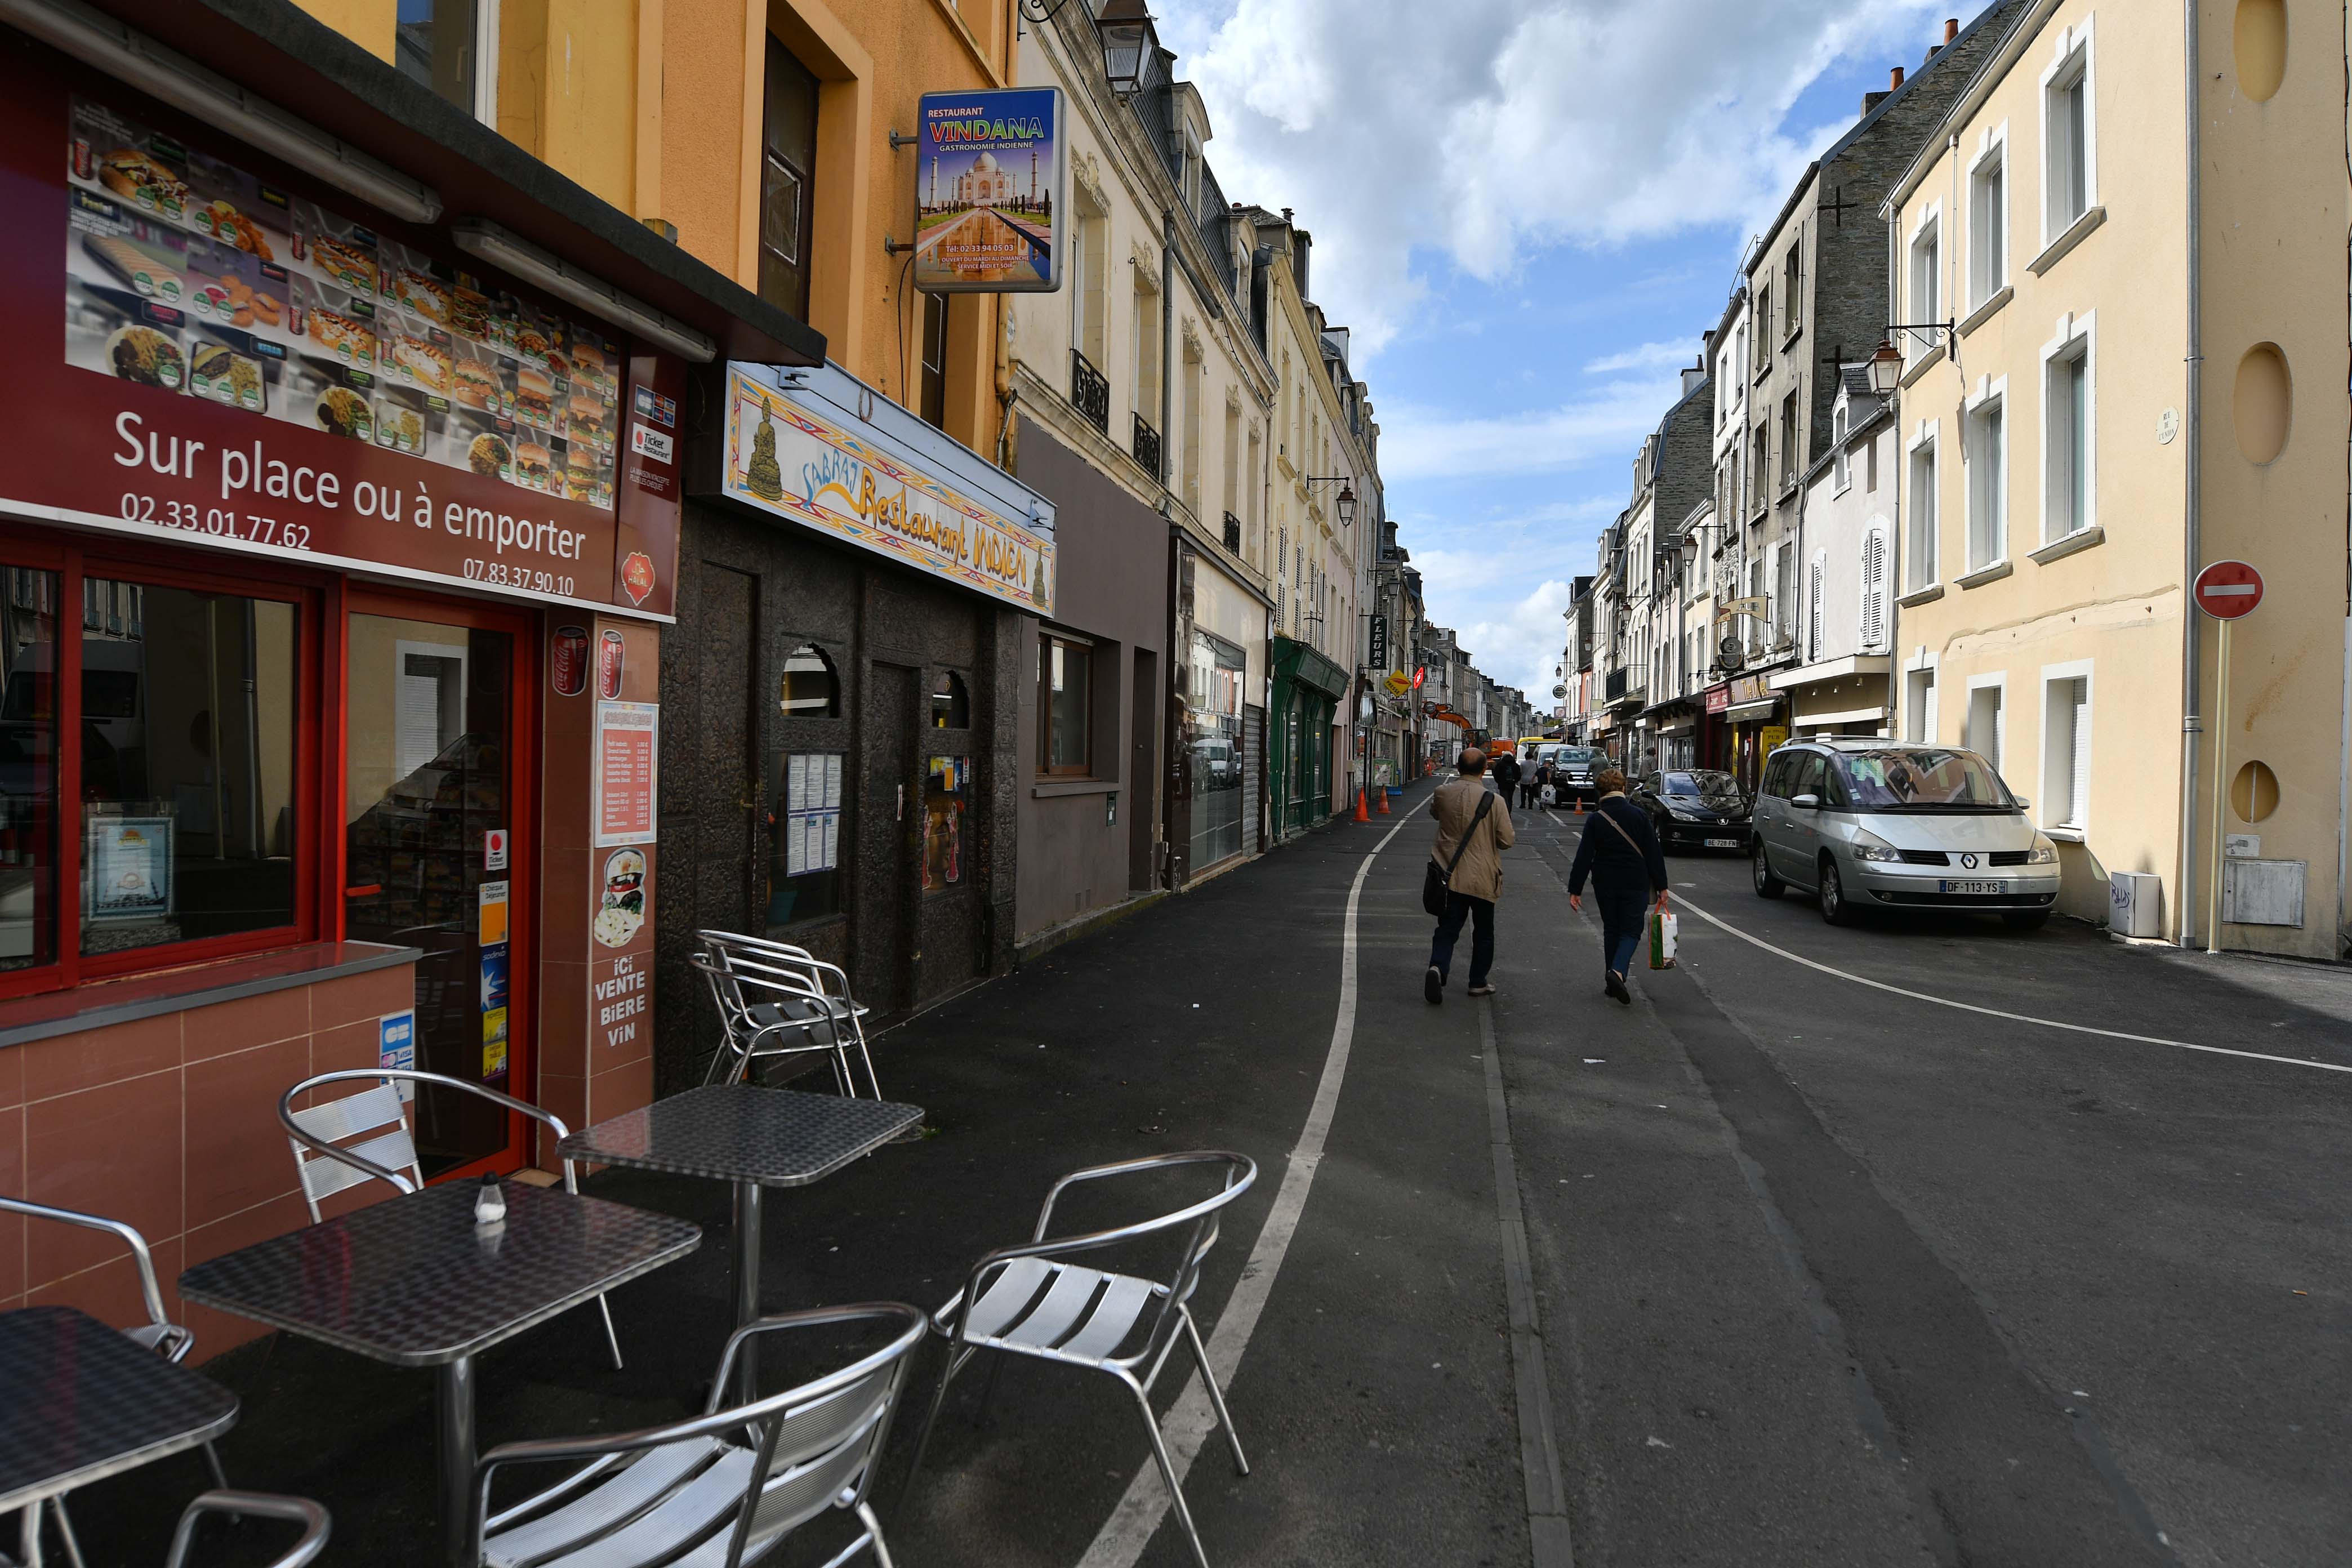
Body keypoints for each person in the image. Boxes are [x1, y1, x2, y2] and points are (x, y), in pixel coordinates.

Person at [1566, 767, 1669, 1004]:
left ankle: (1612, 984)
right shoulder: (1639, 816)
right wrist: (1662, 886)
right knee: (1631, 930)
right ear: (1623, 788)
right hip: (1635, 881)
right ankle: (1618, 971)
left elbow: (1584, 856)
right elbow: (1654, 853)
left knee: (1611, 929)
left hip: (1605, 882)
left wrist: (1575, 889)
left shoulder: (1596, 819)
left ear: (1599, 792)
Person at [1425, 746, 1515, 1004]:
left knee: (1448, 927)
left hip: (1449, 874)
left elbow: (1435, 814)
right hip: (1483, 876)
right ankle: (1477, 982)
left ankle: (1438, 966)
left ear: (1458, 768)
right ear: (1485, 770)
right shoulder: (1495, 801)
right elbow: (1507, 840)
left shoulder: (1442, 792)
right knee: (1484, 931)